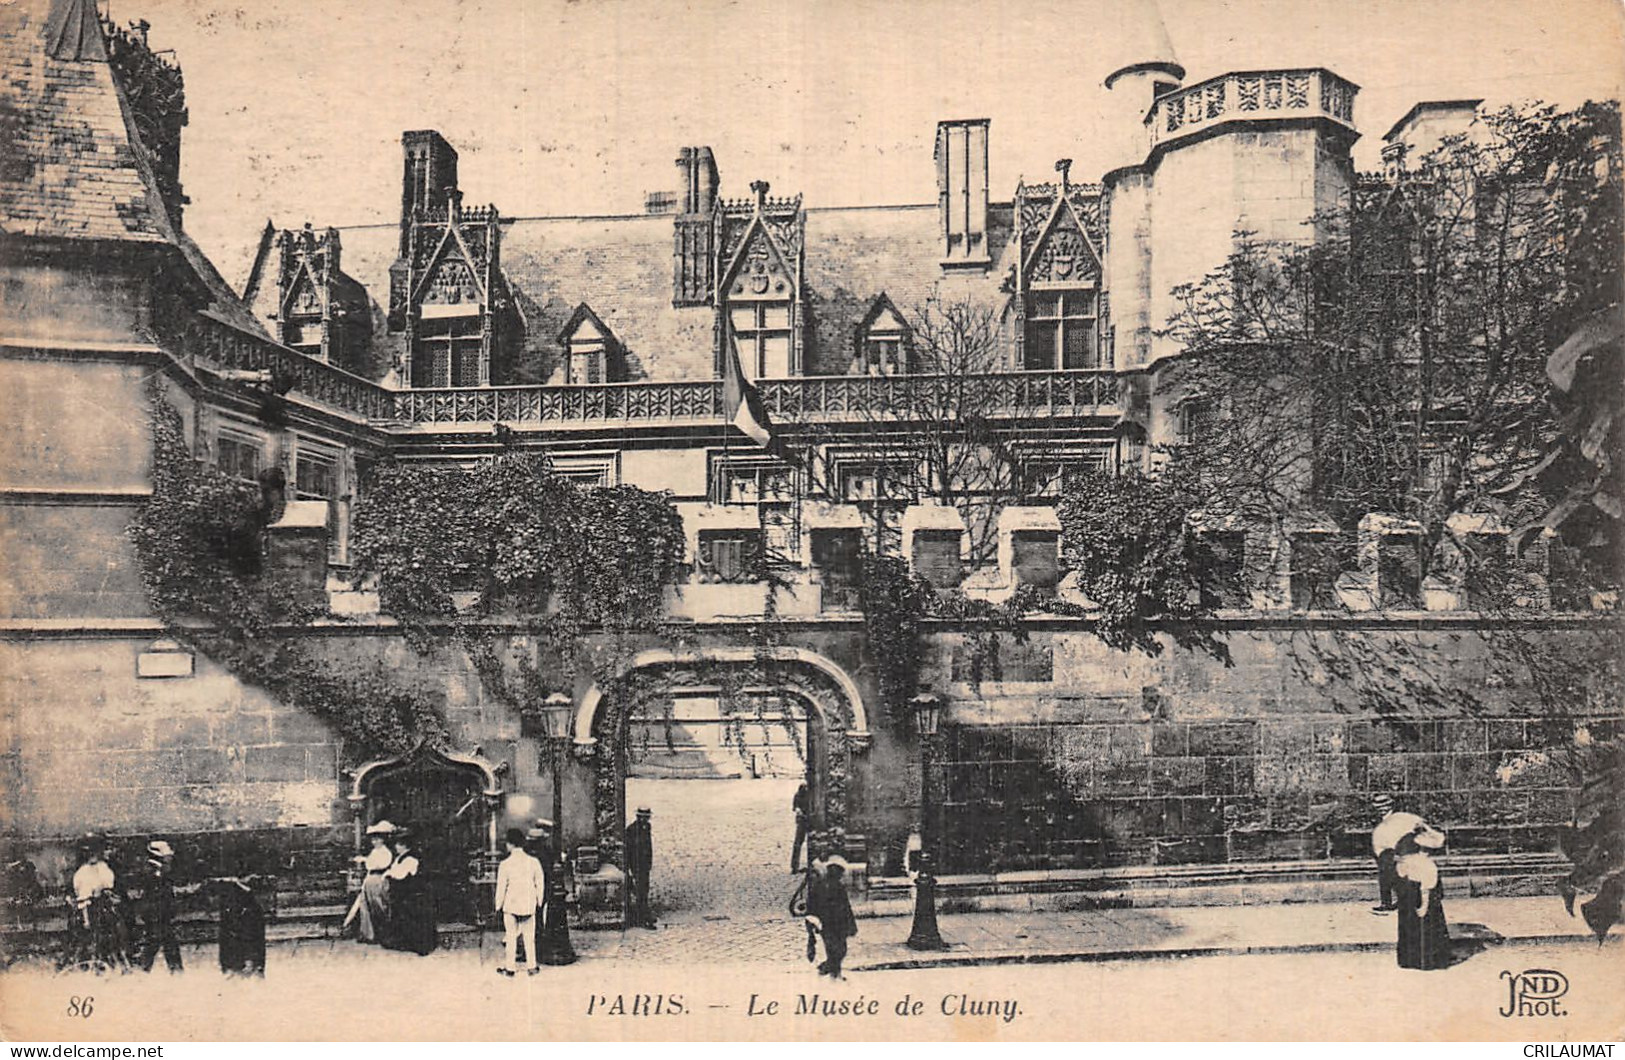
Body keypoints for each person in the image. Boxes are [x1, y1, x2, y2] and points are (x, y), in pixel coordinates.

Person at [1395, 829, 1451, 970]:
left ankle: (1408, 960)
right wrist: (1424, 905)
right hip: (1424, 897)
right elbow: (1427, 888)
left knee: (1409, 926)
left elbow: (1400, 874)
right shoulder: (1429, 865)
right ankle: (1429, 961)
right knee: (1428, 927)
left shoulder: (1407, 859)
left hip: (1408, 897)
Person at [494, 828, 547, 977]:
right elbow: (540, 882)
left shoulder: (505, 864)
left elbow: (501, 887)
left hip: (511, 904)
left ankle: (510, 968)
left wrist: (498, 905)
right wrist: (539, 900)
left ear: (510, 844)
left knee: (511, 936)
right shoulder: (533, 862)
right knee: (529, 937)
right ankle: (532, 966)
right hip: (528, 904)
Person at [70, 839, 127, 969]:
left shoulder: (103, 867)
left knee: (114, 934)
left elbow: (109, 886)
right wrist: (86, 919)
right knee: (91, 938)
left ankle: (117, 963)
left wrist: (111, 897)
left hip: (103, 905)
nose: (93, 855)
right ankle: (88, 965)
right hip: (89, 908)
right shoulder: (82, 873)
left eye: (95, 852)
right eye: (89, 853)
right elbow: (83, 898)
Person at [1370, 794, 1427, 914]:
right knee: (1385, 875)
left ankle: (1411, 900)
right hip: (1385, 851)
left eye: (1384, 806)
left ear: (1390, 806)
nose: (1381, 809)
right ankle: (1386, 902)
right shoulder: (1379, 820)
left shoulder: (1400, 818)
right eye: (1378, 806)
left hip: (1399, 850)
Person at [133, 840, 184, 973]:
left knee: (163, 941)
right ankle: (145, 968)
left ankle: (172, 968)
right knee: (157, 941)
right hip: (155, 912)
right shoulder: (152, 870)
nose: (170, 858)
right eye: (167, 856)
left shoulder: (159, 869)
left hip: (161, 911)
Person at [382, 833, 436, 955]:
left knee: (410, 915)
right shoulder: (400, 857)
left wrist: (389, 874)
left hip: (413, 893)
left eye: (398, 844)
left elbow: (400, 874)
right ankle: (404, 941)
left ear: (404, 846)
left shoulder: (411, 858)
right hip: (404, 892)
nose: (396, 847)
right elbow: (393, 870)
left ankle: (416, 944)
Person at [805, 855, 857, 979]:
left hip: (838, 924)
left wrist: (851, 925)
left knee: (840, 950)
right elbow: (812, 904)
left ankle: (829, 969)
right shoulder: (820, 886)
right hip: (827, 923)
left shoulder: (838, 887)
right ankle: (834, 973)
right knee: (834, 949)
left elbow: (846, 907)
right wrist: (813, 920)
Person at [344, 822, 395, 943]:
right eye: (373, 840)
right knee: (367, 905)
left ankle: (383, 933)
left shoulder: (385, 852)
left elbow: (381, 864)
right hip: (370, 879)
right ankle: (369, 934)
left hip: (378, 879)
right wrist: (365, 860)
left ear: (383, 840)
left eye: (377, 839)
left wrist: (368, 862)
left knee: (379, 905)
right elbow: (371, 862)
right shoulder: (375, 852)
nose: (375, 842)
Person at [214, 870, 266, 977]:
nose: (257, 877)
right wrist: (249, 959)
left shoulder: (246, 894)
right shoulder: (237, 897)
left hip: (246, 955)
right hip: (240, 956)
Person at [624, 807, 655, 929]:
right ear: (638, 817)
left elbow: (648, 846)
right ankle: (641, 917)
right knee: (639, 891)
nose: (645, 819)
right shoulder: (631, 830)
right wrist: (629, 869)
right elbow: (629, 850)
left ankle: (644, 914)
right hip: (635, 864)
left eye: (647, 817)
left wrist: (649, 862)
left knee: (644, 889)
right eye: (643, 817)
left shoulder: (647, 827)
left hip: (644, 865)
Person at [790, 782, 811, 873]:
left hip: (809, 820)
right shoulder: (799, 794)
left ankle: (798, 866)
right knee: (798, 842)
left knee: (804, 843)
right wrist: (799, 811)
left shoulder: (810, 793)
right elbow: (796, 807)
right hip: (803, 820)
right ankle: (794, 866)